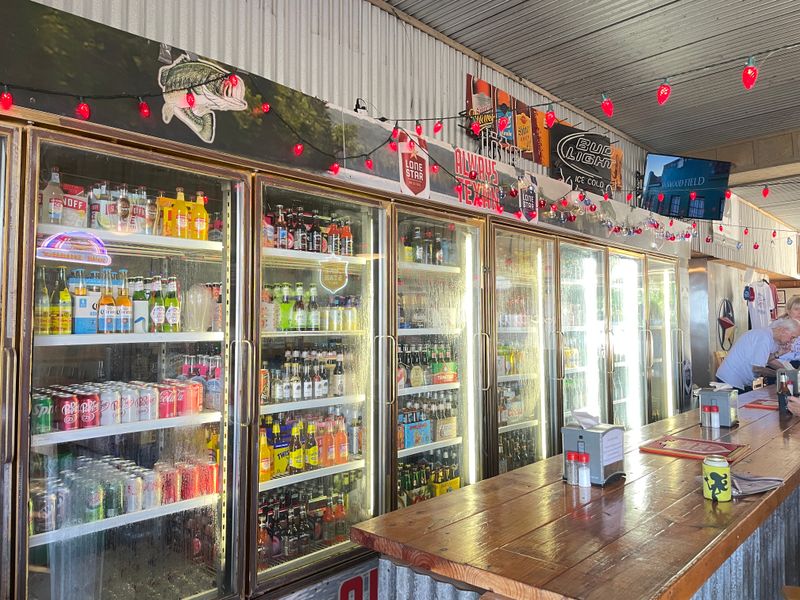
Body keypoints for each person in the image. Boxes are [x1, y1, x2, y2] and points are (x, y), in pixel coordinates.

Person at [715, 317, 800, 392]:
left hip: (737, 381)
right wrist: (780, 375)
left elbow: (762, 361)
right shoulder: (764, 337)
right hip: (729, 380)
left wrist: (778, 354)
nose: (792, 341)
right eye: (792, 337)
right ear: (783, 330)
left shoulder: (769, 337)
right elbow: (757, 368)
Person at [776, 295, 800, 363]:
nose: (799, 312)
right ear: (788, 311)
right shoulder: (779, 325)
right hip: (783, 362)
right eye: (796, 309)